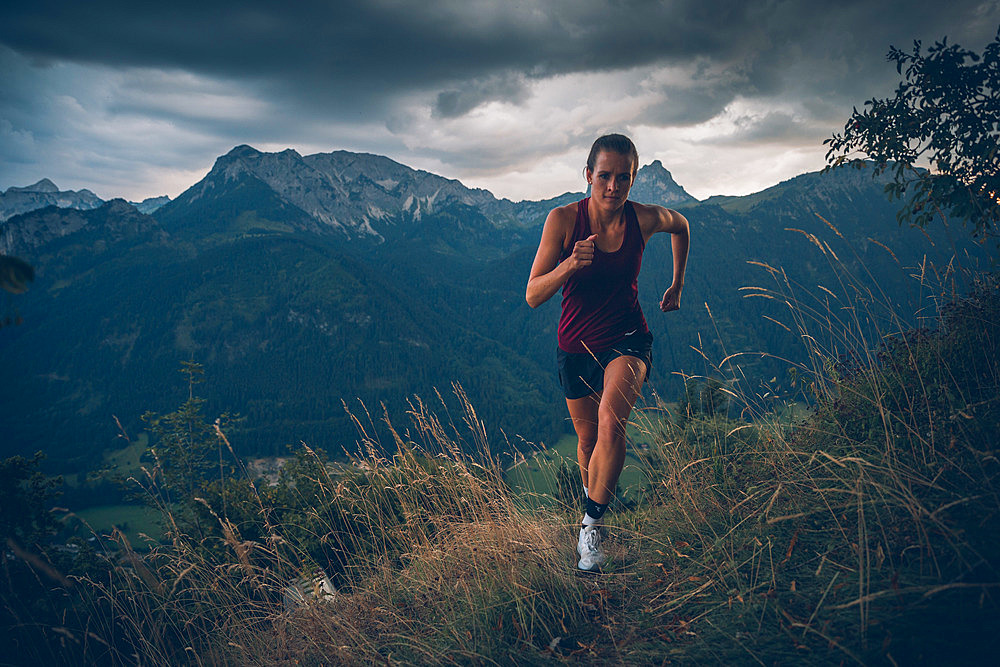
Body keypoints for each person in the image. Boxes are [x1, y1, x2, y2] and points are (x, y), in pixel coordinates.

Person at [526, 133, 690, 571]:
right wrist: (569, 265)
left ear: (634, 178)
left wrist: (677, 283)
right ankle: (593, 507)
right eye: (605, 176)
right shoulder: (562, 221)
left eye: (624, 177)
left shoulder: (645, 218)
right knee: (586, 441)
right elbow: (532, 294)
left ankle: (591, 527)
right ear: (588, 176)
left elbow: (683, 226)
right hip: (575, 346)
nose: (614, 186)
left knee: (611, 423)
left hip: (628, 338)